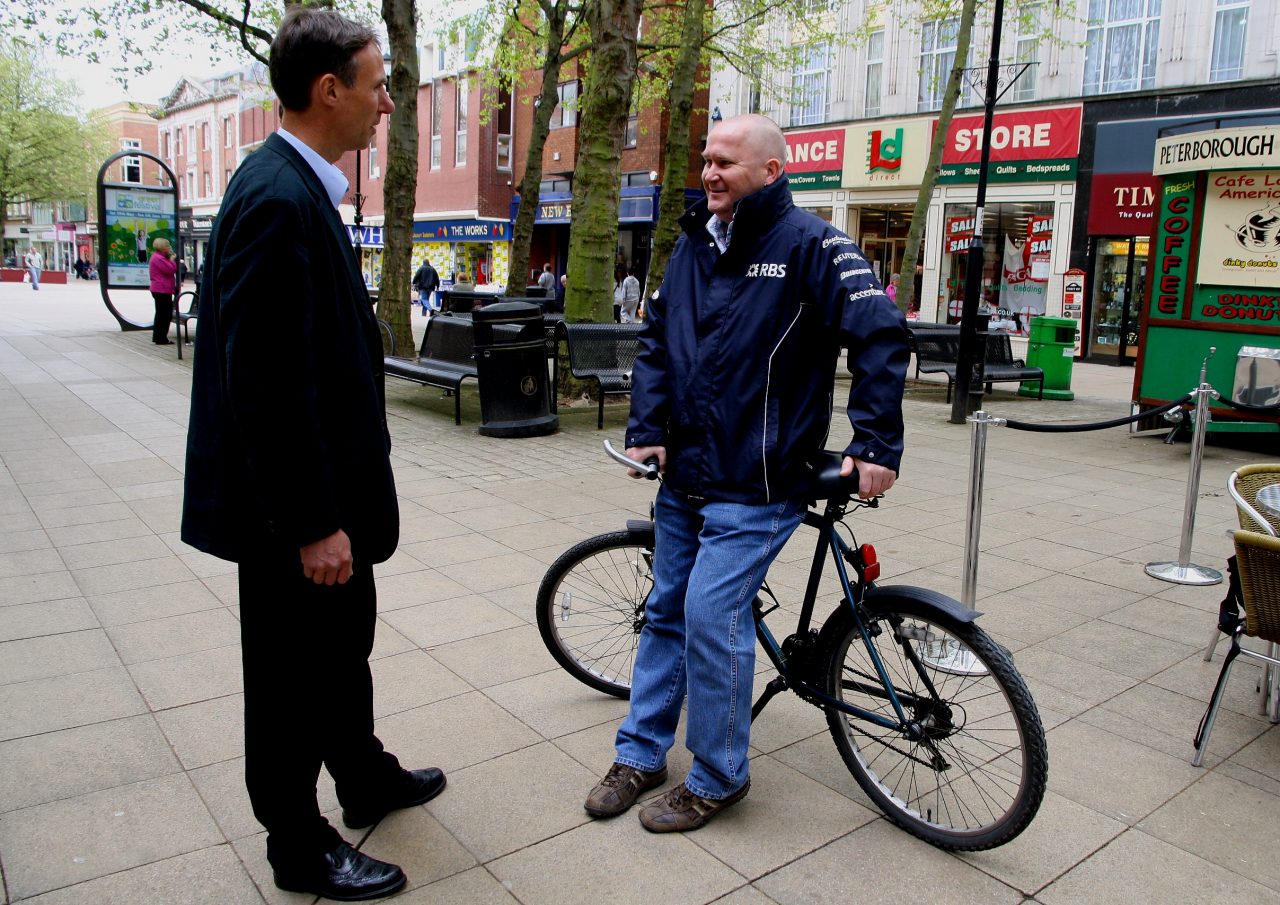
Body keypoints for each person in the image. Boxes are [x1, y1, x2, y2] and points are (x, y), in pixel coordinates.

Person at [181, 9, 444, 901]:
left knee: (342, 648)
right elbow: (264, 385)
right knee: (291, 676)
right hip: (295, 514)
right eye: (377, 85)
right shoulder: (274, 198)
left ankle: (362, 773)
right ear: (329, 89)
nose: (385, 103)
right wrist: (312, 523)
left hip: (329, 498)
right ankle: (295, 841)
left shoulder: (298, 187)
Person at [584, 114, 907, 833]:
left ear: (771, 170)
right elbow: (658, 343)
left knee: (707, 614)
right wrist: (646, 432)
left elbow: (881, 334)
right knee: (665, 611)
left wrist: (877, 444)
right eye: (706, 159)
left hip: (761, 486)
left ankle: (720, 773)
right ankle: (640, 753)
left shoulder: (814, 245)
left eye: (726, 162)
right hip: (687, 479)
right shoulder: (693, 244)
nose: (709, 172)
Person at [148, 237, 179, 345]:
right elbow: (170, 270)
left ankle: (159, 337)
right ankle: (161, 338)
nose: (169, 248)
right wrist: (172, 261)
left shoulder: (159, 257)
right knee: (165, 314)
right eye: (167, 246)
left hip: (161, 289)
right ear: (162, 247)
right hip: (162, 289)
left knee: (161, 313)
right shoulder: (158, 258)